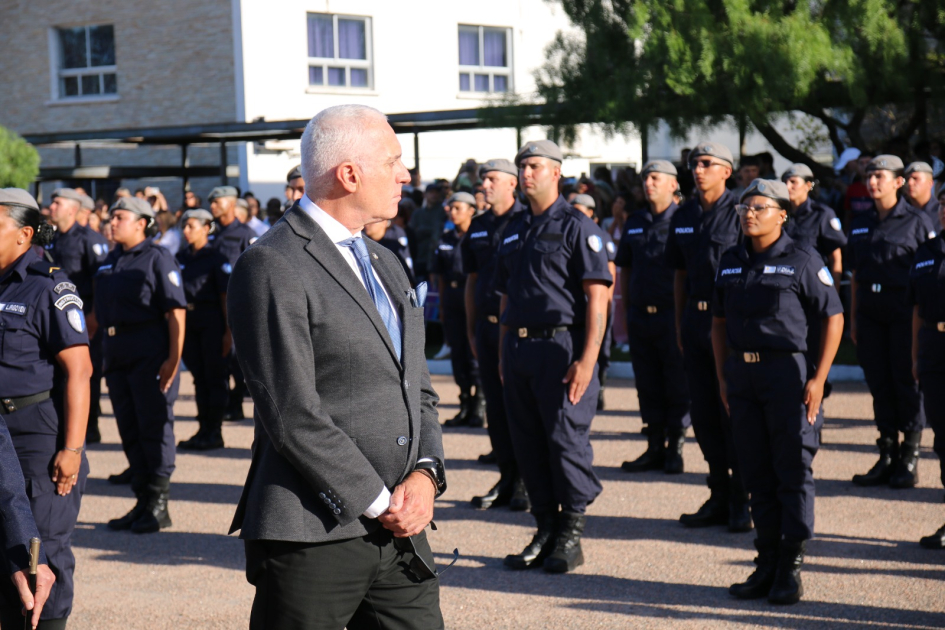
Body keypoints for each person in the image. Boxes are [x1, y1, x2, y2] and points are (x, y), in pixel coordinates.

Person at [227, 104, 446, 630]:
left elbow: (417, 387)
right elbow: (291, 413)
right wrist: (377, 501)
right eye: (392, 160)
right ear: (349, 174)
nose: (405, 174)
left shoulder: (386, 261)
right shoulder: (273, 264)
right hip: (314, 533)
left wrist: (427, 475)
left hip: (401, 531)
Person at [713, 179, 843, 605]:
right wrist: (722, 378)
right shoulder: (730, 261)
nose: (750, 214)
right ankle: (765, 561)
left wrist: (819, 379)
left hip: (788, 376)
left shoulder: (803, 259)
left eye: (761, 207)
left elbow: (833, 318)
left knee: (791, 470)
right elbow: (717, 324)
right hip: (743, 377)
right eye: (745, 208)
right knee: (755, 471)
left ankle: (790, 566)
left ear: (782, 214)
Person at [496, 140, 612, 574]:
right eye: (522, 166)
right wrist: (503, 355)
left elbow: (597, 299)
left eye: (535, 166)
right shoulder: (512, 228)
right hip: (520, 348)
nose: (527, 173)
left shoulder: (578, 227)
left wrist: (588, 359)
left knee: (565, 442)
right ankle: (545, 527)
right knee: (528, 443)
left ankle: (571, 533)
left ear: (556, 172)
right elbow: (505, 294)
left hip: (561, 348)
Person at [0, 188, 91, 630]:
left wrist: (71, 450)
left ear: (25, 234)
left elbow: (80, 370)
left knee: (42, 548)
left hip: (35, 433)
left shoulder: (49, 285)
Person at [666, 141, 751, 532]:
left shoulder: (742, 214)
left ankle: (742, 497)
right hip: (696, 323)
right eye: (693, 164)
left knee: (732, 411)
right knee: (703, 414)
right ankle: (718, 493)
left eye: (706, 164)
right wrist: (682, 322)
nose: (697, 170)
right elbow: (679, 273)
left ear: (726, 171)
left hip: (730, 325)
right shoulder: (682, 214)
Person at [96, 197, 186, 534]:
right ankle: (142, 499)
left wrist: (173, 359)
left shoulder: (158, 258)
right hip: (117, 352)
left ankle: (159, 504)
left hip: (149, 352)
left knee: (154, 426)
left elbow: (176, 311)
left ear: (142, 223)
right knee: (129, 426)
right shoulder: (110, 261)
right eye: (112, 216)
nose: (112, 221)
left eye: (120, 216)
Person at [849, 155, 936, 489]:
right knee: (879, 383)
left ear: (898, 182)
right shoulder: (859, 222)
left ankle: (909, 457)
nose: (873, 182)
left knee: (906, 383)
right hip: (870, 314)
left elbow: (928, 274)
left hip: (903, 313)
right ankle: (887, 453)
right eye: (870, 176)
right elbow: (856, 275)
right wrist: (855, 319)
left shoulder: (917, 222)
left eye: (880, 176)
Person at [616, 160, 692, 474]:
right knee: (647, 382)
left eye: (656, 178)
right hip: (640, 317)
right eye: (646, 178)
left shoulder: (685, 220)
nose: (649, 183)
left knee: (675, 381)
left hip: (671, 315)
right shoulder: (635, 221)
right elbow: (626, 269)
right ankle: (654, 445)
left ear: (673, 184)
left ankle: (675, 446)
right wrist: (624, 314)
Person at [461, 158, 528, 509]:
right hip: (486, 330)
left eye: (492, 178)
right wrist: (472, 330)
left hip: (516, 331)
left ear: (511, 184)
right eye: (483, 178)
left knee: (518, 408)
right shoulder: (478, 226)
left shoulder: (526, 222)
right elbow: (472, 280)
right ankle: (506, 476)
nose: (484, 184)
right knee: (496, 412)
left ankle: (526, 482)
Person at [45, 188, 110, 445]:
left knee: (85, 374)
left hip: (81, 319)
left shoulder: (89, 239)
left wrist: (94, 317)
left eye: (57, 203)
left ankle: (89, 424)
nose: (51, 208)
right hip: (51, 319)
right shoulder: (50, 239)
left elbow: (100, 281)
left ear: (72, 209)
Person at [175, 209, 232, 451]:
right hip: (188, 321)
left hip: (212, 321)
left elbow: (225, 296)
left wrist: (229, 332)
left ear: (206, 228)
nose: (186, 231)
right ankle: (203, 429)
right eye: (184, 226)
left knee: (214, 378)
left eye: (191, 226)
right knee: (199, 378)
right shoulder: (180, 257)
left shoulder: (216, 258)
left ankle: (214, 431)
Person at [432, 192, 484, 428]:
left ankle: (479, 405)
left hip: (472, 298)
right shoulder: (446, 237)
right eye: (450, 208)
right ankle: (464, 404)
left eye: (458, 208)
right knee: (458, 353)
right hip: (452, 299)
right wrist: (442, 306)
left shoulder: (480, 236)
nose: (452, 212)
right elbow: (440, 276)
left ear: (472, 210)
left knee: (475, 352)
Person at [910, 204, 945, 548]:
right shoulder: (927, 251)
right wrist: (915, 356)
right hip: (934, 349)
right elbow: (917, 309)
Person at [207, 186, 255, 421]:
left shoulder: (245, 234)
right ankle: (223, 404)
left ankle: (236, 403)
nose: (212, 206)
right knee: (218, 362)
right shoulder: (212, 235)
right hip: (214, 308)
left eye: (217, 202)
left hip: (237, 306)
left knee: (238, 361)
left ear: (231, 204)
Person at [570, 193, 617, 411]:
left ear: (592, 215)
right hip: (579, 305)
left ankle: (599, 389)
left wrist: (606, 302)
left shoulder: (600, 236)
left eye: (582, 210)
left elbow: (610, 272)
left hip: (599, 301)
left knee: (602, 348)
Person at [408, 183, 446, 280]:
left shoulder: (444, 212)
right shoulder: (417, 213)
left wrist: (422, 230)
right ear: (425, 194)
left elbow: (439, 233)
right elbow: (412, 234)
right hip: (419, 257)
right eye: (431, 192)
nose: (434, 195)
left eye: (436, 192)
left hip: (437, 259)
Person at [364, 218, 415, 286]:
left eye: (372, 221)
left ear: (384, 222)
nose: (367, 225)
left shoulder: (393, 245)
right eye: (367, 221)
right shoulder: (360, 242)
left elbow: (405, 275)